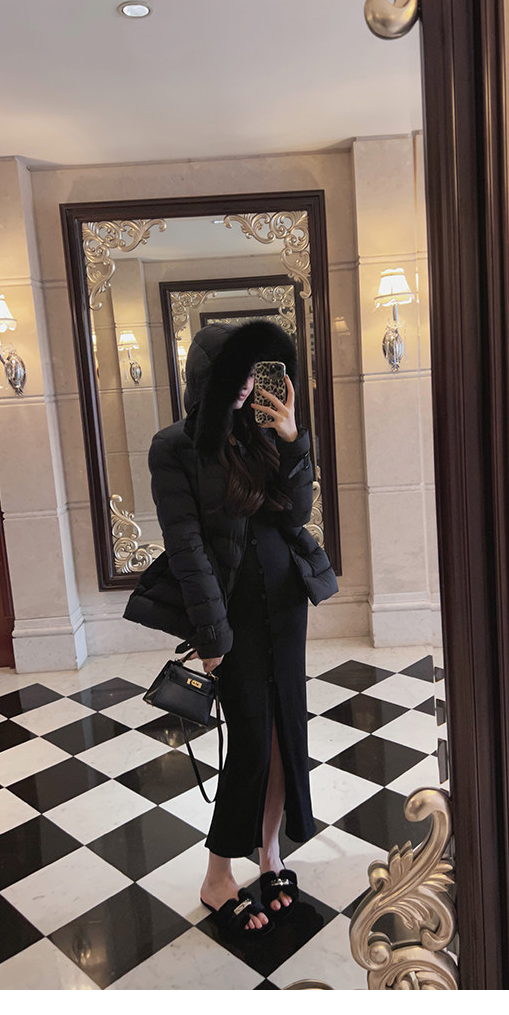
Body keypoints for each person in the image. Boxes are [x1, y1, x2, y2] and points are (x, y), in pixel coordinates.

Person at [124, 318, 339, 938]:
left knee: (284, 736)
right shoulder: (174, 446)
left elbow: (296, 514)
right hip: (233, 613)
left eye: (251, 372)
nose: (246, 385)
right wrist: (212, 637)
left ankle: (269, 854)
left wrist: (294, 441)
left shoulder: (261, 430)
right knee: (249, 743)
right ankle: (217, 875)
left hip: (286, 603)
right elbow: (187, 548)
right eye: (234, 373)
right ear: (206, 376)